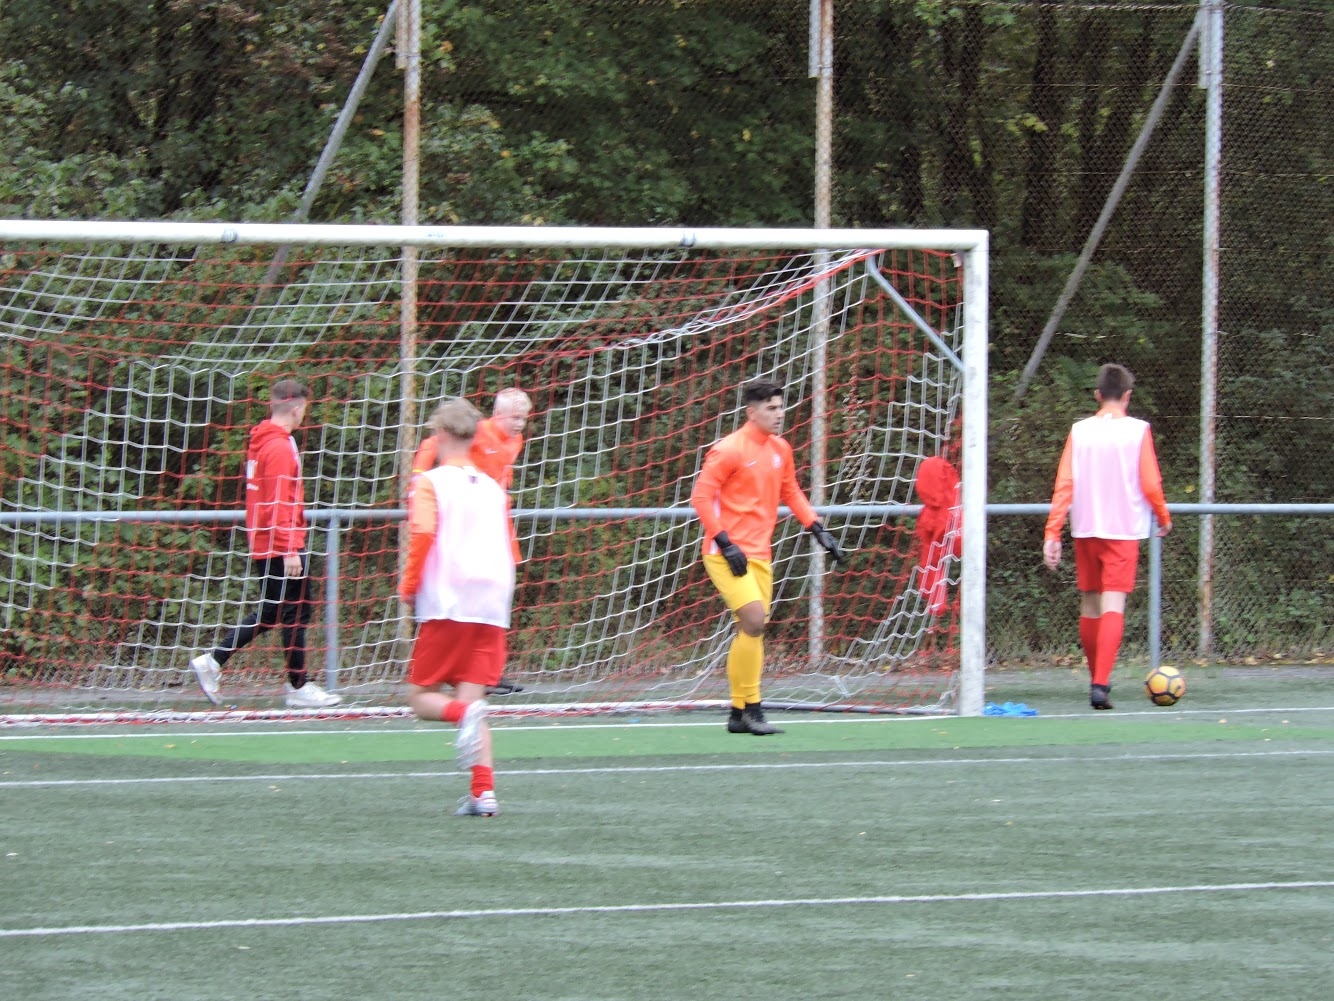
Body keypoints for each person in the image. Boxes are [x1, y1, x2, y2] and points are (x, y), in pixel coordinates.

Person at [689, 379, 844, 735]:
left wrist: (817, 527)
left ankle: (737, 713)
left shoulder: (780, 449)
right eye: (771, 408)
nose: (779, 414)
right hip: (725, 553)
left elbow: (791, 491)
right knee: (755, 621)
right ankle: (754, 709)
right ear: (751, 412)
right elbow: (701, 498)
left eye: (780, 406)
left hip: (760, 553)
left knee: (751, 630)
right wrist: (725, 542)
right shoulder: (728, 450)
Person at [190, 379, 341, 709]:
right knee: (295, 611)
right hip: (279, 543)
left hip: (267, 540)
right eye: (305, 409)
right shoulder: (279, 447)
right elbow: (278, 501)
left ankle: (213, 661)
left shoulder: (264, 442)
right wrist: (290, 548)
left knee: (275, 611)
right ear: (297, 408)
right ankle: (298, 686)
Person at [400, 398, 516, 817]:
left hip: (450, 600)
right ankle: (483, 792)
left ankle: (463, 716)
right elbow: (508, 544)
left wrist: (409, 584)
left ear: (441, 435)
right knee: (473, 699)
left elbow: (422, 533)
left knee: (421, 698)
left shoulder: (431, 482)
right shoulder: (492, 487)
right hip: (492, 601)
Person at [1043, 363, 1172, 710]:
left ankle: (1095, 677)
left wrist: (1053, 531)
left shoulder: (1080, 430)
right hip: (1123, 530)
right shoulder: (1138, 431)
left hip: (1086, 528)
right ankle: (1100, 683)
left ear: (1098, 395)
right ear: (1127, 396)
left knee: (1090, 602)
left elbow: (1064, 483)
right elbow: (1150, 483)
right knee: (1113, 604)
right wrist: (1163, 516)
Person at [411, 386, 531, 696]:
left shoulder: (516, 440)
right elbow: (432, 443)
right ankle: (463, 680)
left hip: (491, 513)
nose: (520, 424)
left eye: (524, 418)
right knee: (465, 594)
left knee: (498, 588)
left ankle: (486, 674)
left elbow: (502, 473)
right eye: (515, 418)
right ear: (498, 414)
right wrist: (418, 475)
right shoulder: (479, 431)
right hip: (466, 514)